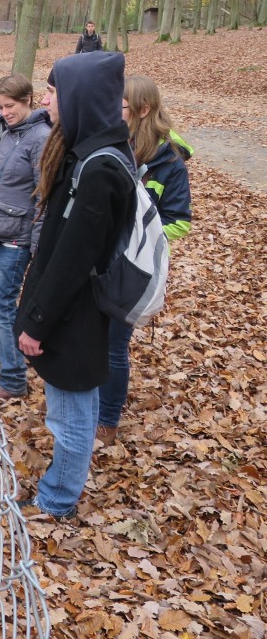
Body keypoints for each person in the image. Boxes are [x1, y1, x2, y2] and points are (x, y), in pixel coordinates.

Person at [13, 52, 134, 521]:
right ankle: (59, 490)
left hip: (76, 314)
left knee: (71, 412)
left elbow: (72, 259)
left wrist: (37, 322)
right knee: (71, 404)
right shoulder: (88, 153)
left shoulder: (100, 169)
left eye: (53, 92)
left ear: (79, 97)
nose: (45, 101)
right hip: (72, 309)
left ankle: (58, 499)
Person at [98, 75, 193, 445]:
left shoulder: (170, 163)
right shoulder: (110, 143)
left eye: (119, 105)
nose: (111, 111)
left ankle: (107, 421)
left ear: (142, 110)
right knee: (90, 336)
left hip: (132, 268)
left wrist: (140, 236)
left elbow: (179, 222)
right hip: (98, 258)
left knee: (114, 346)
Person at [0, 74, 51, 400]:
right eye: (1, 107)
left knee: (3, 306)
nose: (4, 113)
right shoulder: (9, 134)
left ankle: (14, 378)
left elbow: (44, 196)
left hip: (15, 239)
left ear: (27, 100)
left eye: (10, 106)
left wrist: (36, 244)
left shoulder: (40, 138)